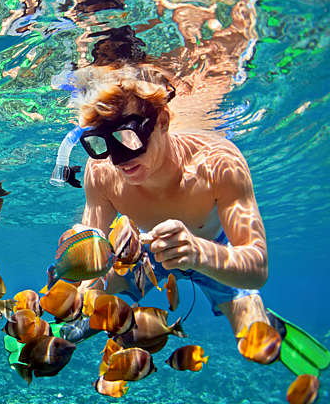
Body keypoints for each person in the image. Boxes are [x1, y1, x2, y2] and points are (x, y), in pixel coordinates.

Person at [48, 63, 329, 374]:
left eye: (128, 137)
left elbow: (257, 267)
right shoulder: (100, 172)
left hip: (213, 249)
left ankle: (266, 320)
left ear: (163, 121)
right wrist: (83, 292)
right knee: (90, 303)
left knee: (255, 345)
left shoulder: (218, 163)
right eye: (101, 142)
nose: (117, 158)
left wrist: (197, 253)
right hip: (140, 254)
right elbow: (94, 258)